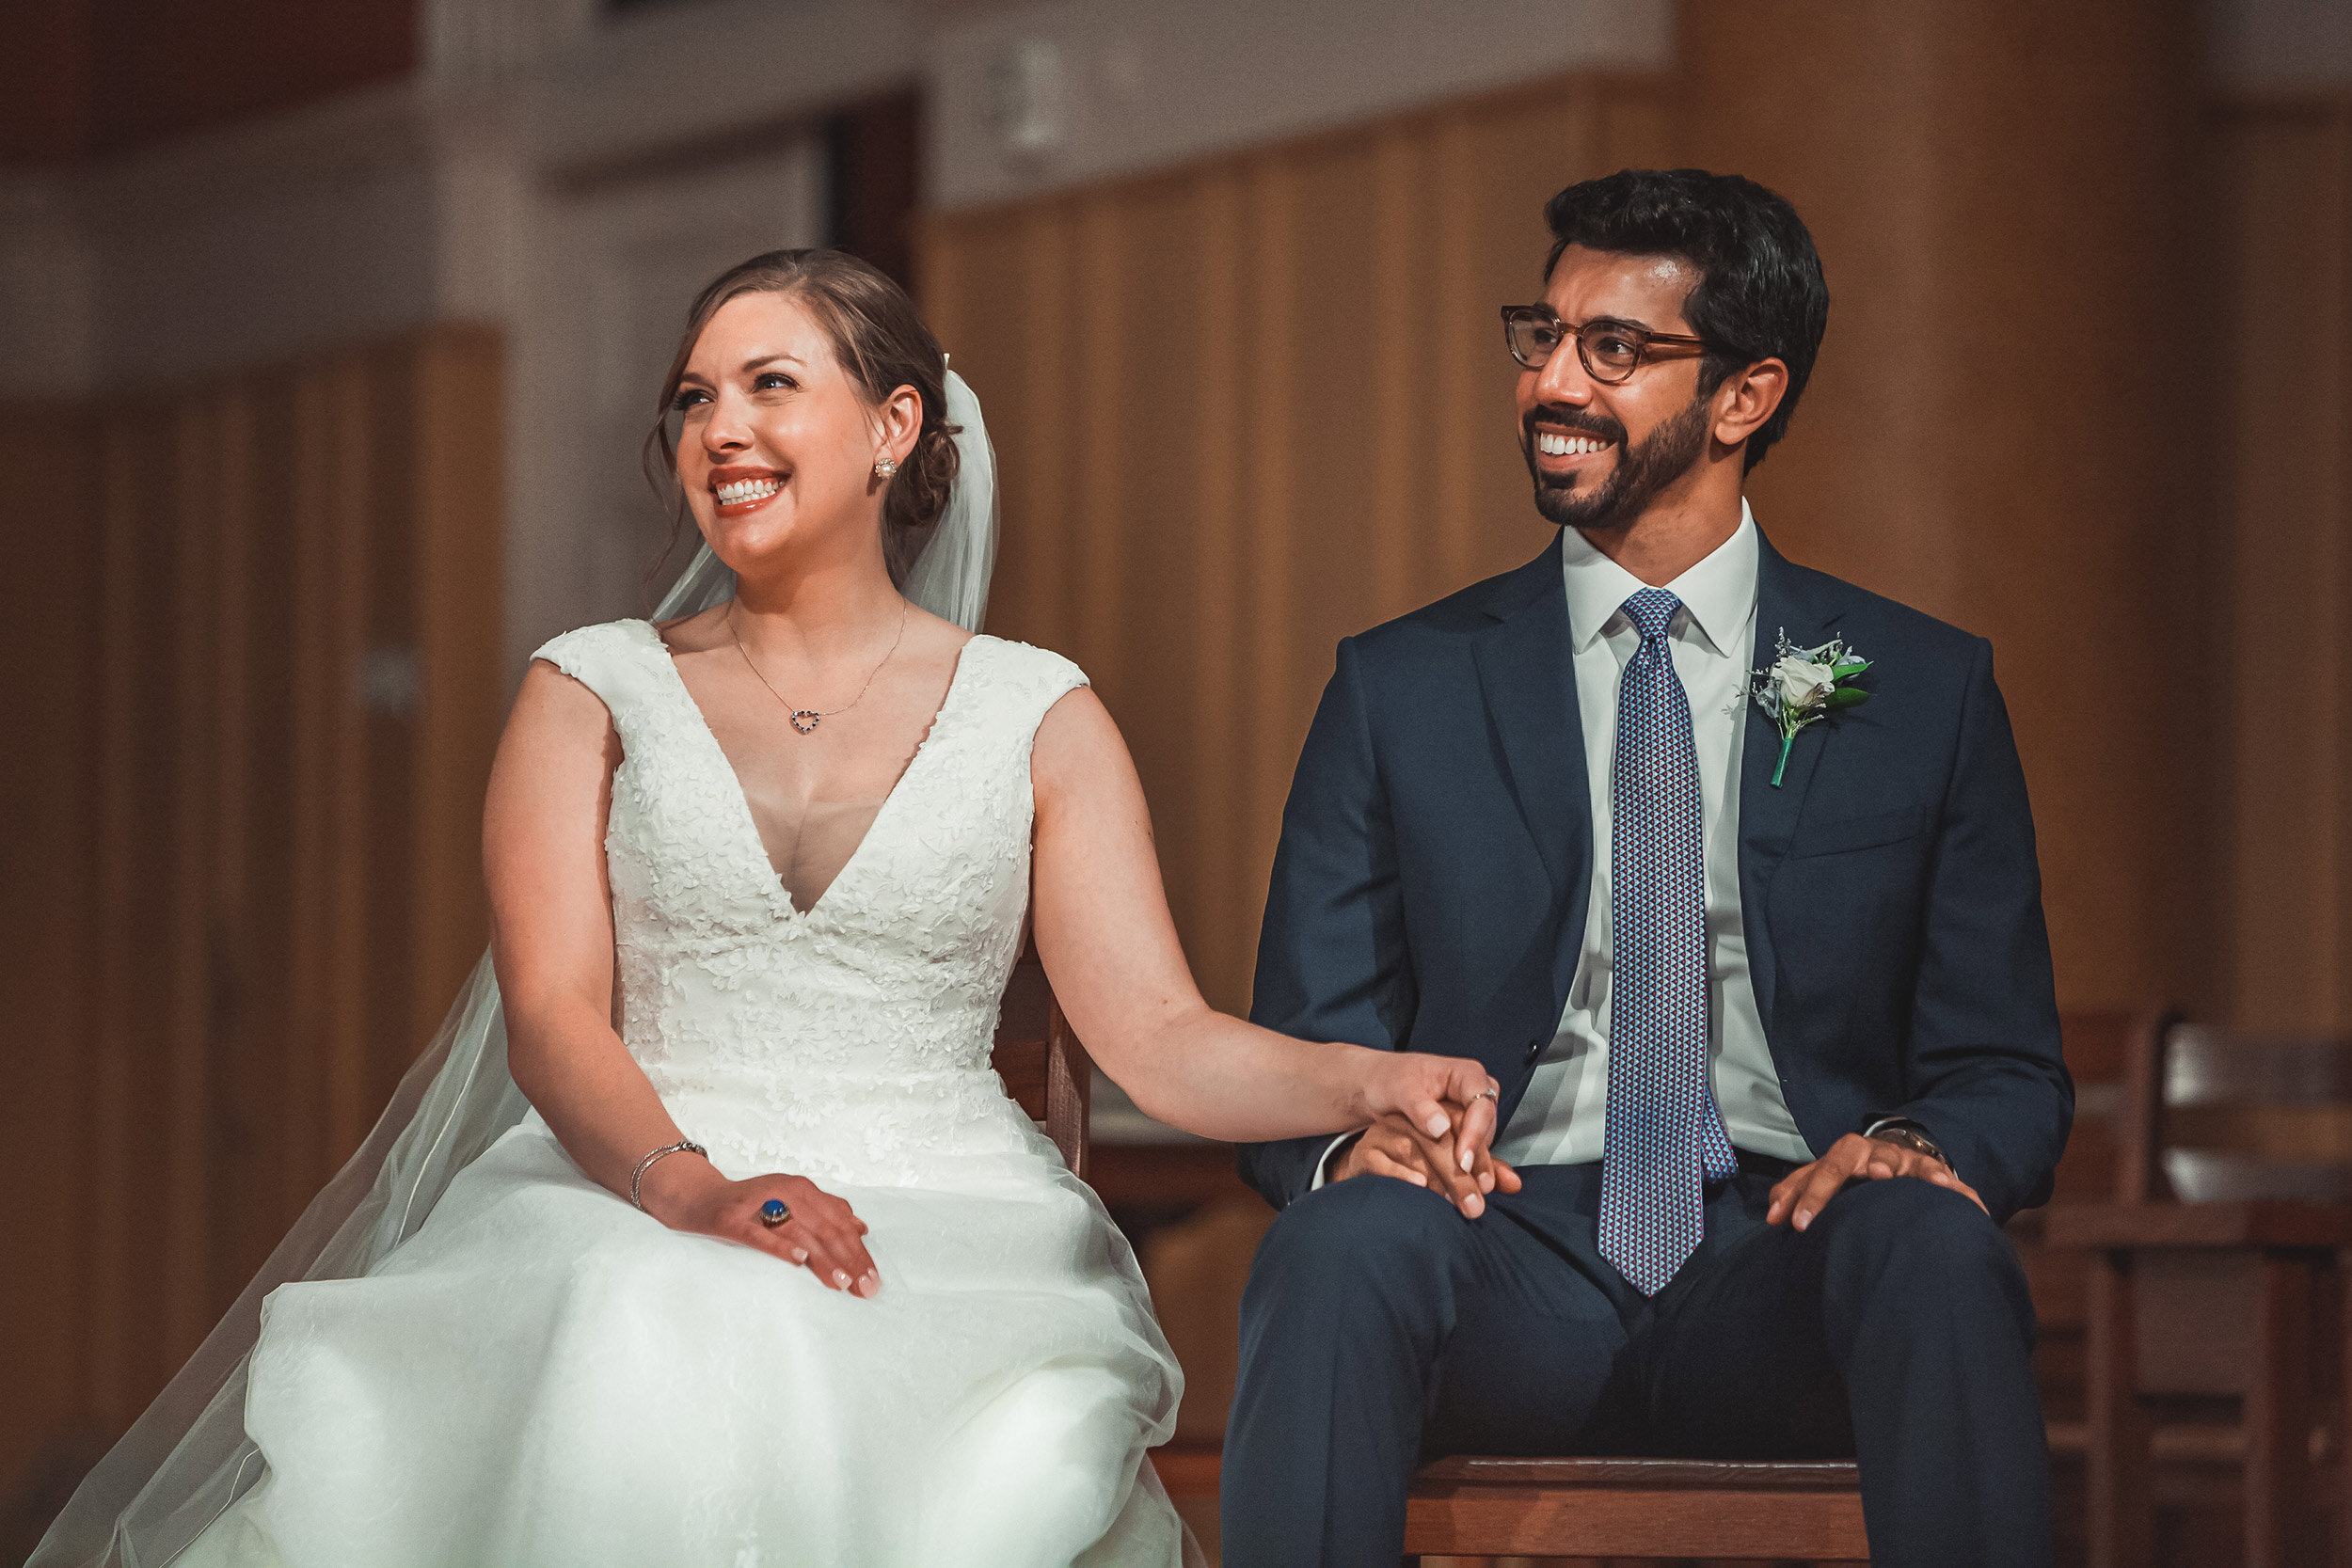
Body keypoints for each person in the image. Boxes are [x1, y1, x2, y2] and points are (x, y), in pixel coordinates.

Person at [31, 249, 1504, 1568]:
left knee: (865, 1375)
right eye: (692, 399)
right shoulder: (585, 689)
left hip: (948, 1210)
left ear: (894, 428)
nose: (717, 430)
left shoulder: (1035, 714)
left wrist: (1369, 1075)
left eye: (768, 386)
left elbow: (1160, 1036)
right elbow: (550, 1012)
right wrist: (697, 1190)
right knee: (645, 1318)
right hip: (630, 1182)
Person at [1221, 168, 2070, 1568]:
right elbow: (1306, 1042)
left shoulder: (1921, 689)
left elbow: (2008, 1066)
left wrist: (1915, 1150)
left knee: (1934, 1244)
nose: (1551, 380)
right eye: (1541, 336)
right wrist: (1340, 1142)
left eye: (1613, 349)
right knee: (1334, 1247)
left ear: (1744, 396)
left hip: (1793, 1259)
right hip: (1499, 1247)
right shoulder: (1400, 687)